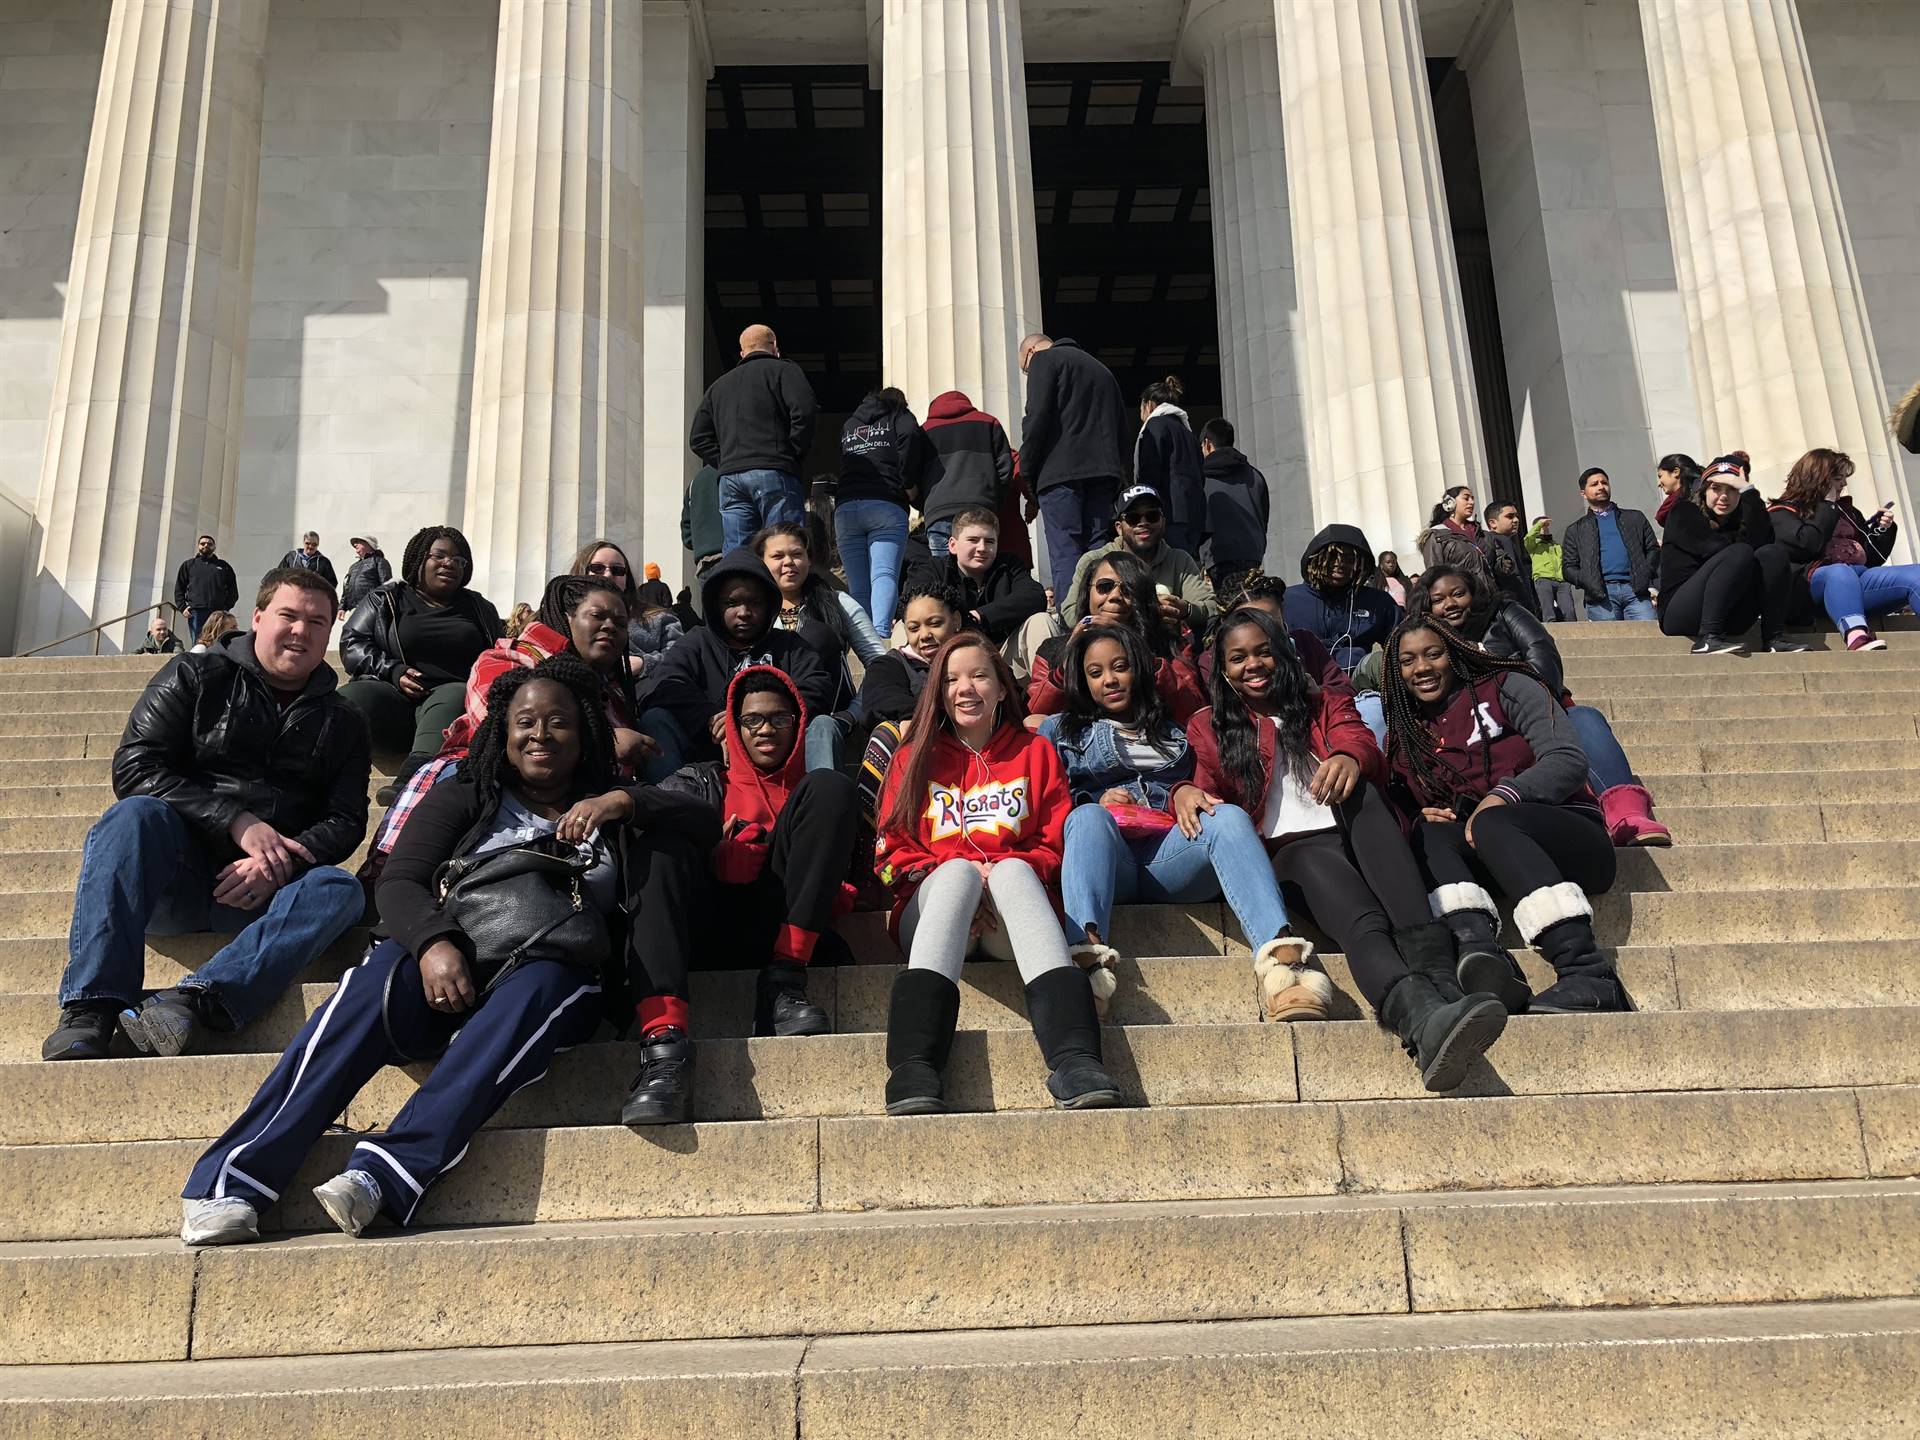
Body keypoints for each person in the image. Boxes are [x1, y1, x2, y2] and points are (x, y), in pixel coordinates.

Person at [177, 657, 637, 1245]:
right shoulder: (466, 794)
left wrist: (619, 803)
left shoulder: (615, 810)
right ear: (503, 729)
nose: (540, 735)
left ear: (587, 733)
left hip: (544, 974)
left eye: (558, 723)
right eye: (525, 722)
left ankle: (385, 1175)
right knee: (370, 985)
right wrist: (432, 943)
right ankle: (232, 1181)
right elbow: (399, 883)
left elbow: (696, 814)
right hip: (445, 962)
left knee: (550, 984)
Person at [43, 568, 369, 1062]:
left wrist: (278, 861)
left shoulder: (344, 720)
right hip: (176, 878)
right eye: (288, 615)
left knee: (340, 889)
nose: (301, 630)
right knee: (132, 817)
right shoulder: (192, 675)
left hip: (266, 894)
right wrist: (237, 822)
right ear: (258, 619)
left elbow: (345, 819)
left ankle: (196, 1000)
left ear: (330, 633)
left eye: (316, 621)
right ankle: (93, 1007)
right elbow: (136, 766)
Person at [1184, 608, 1507, 1088]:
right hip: (1291, 853)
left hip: (1356, 831)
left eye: (1263, 651)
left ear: (1283, 654)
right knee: (1363, 920)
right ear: (1223, 670)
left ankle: (1441, 990)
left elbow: (1360, 740)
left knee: (1366, 792)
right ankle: (1420, 1019)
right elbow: (1206, 791)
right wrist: (1180, 793)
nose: (1252, 665)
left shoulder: (1323, 702)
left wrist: (1347, 755)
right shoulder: (1209, 726)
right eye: (1237, 658)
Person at [876, 632, 1121, 1115]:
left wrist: (998, 876)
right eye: (951, 679)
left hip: (1011, 918)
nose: (965, 688)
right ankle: (914, 1065)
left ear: (1002, 687)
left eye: (979, 675)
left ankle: (1075, 1058)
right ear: (938, 692)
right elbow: (887, 858)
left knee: (1009, 868)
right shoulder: (912, 756)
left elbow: (1054, 847)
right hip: (935, 916)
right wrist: (965, 878)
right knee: (957, 878)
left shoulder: (1035, 752)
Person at [622, 668, 863, 1122]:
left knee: (832, 783)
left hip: (784, 934)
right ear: (733, 727)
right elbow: (660, 810)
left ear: (799, 723)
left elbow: (854, 880)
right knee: (660, 844)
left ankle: (783, 985)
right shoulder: (702, 779)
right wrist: (714, 851)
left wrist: (830, 884)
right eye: (752, 721)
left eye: (780, 718)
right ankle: (664, 1047)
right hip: (708, 926)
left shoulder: (818, 795)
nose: (766, 729)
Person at [1042, 621, 1315, 1018]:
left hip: (1168, 855)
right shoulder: (1059, 730)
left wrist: (1183, 789)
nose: (1110, 680)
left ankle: (1284, 968)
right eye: (1095, 672)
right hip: (1105, 859)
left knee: (1228, 817)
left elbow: (1212, 779)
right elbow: (1045, 801)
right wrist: (1093, 798)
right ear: (1082, 681)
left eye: (1120, 666)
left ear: (1138, 668)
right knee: (1085, 817)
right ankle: (1088, 971)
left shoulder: (1176, 729)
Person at [1384, 618, 1625, 1014]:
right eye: (1408, 661)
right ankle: (1483, 956)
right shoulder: (1408, 735)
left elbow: (1566, 759)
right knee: (1428, 835)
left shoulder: (1506, 685)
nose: (1421, 668)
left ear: (1455, 651)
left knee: (1494, 820)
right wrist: (1421, 812)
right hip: (1497, 856)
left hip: (1571, 839)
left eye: (1433, 654)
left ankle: (1589, 973)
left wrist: (1503, 796)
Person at [366, 574, 653, 868]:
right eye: (598, 616)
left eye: (620, 623)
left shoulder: (614, 690)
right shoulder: (508, 659)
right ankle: (383, 871)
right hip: (487, 783)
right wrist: (609, 742)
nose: (610, 627)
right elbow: (496, 732)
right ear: (567, 617)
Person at [1413, 564, 1671, 847]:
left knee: (1583, 719)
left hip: (1538, 710)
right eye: (1438, 600)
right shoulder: (1429, 647)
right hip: (1484, 730)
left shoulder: (1503, 613)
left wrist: (1505, 687)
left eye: (1458, 594)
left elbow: (1544, 660)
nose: (1449, 604)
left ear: (1473, 594)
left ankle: (1627, 814)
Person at [635, 548, 833, 781]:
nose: (744, 613)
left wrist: (747, 719)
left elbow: (817, 687)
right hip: (707, 759)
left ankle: (818, 804)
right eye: (732, 603)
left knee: (824, 724)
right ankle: (669, 806)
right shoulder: (697, 641)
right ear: (716, 606)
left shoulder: (789, 645)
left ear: (769, 604)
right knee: (656, 718)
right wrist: (710, 719)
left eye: (754, 603)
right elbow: (665, 683)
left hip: (777, 757)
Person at [340, 526, 505, 789]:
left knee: (453, 694)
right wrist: (393, 671)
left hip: (452, 706)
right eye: (439, 556)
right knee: (351, 696)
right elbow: (352, 643)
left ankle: (413, 780)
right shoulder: (386, 599)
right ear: (419, 559)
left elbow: (499, 654)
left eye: (458, 560)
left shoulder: (480, 608)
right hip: (393, 697)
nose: (449, 563)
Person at [755, 521, 886, 771]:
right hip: (770, 724)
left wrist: (852, 713)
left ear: (808, 559)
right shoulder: (752, 614)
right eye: (777, 556)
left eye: (796, 554)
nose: (789, 563)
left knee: (821, 726)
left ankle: (824, 803)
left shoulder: (838, 602)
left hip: (828, 720)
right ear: (762, 562)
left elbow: (880, 664)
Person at [1029, 550, 1207, 723]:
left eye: (1128, 590)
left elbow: (1192, 711)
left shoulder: (1170, 645)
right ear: (1087, 593)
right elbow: (1036, 714)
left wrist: (1136, 650)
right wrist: (1069, 659)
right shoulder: (1053, 650)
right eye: (1104, 587)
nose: (1115, 596)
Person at [1019, 332, 1132, 594]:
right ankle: (1102, 614)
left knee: (1065, 549)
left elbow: (1036, 419)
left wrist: (1028, 472)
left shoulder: (1043, 360)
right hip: (1104, 474)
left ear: (1030, 352)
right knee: (1097, 546)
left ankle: (1072, 623)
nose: (1029, 373)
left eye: (1026, 369)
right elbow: (1121, 429)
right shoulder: (1103, 370)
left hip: (1059, 475)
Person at [690, 323, 819, 552]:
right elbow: (805, 411)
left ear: (742, 352)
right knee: (782, 545)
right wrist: (793, 451)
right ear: (775, 346)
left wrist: (725, 460)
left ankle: (738, 587)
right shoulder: (783, 370)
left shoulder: (718, 387)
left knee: (739, 553)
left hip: (731, 478)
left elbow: (698, 438)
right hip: (774, 468)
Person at [1658, 456, 1804, 655]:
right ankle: (1708, 639)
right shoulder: (1683, 512)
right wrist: (1746, 546)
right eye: (1716, 489)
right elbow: (1713, 547)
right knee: (1740, 552)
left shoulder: (1741, 520)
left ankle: (1773, 638)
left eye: (1732, 490)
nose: (1724, 497)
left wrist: (1749, 492)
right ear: (1704, 490)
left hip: (1732, 615)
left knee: (1773, 553)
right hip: (1681, 613)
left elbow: (1763, 543)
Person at [1768, 447, 1909, 651]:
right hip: (1808, 590)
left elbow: (1871, 560)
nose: (1843, 483)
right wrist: (1827, 505)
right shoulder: (1781, 512)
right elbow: (1808, 545)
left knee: (1916, 574)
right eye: (1837, 478)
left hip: (1856, 581)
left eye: (1844, 478)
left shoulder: (1847, 512)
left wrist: (1882, 530)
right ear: (1817, 478)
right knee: (1839, 571)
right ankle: (1856, 636)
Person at [1282, 523, 1401, 741]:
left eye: (1348, 559)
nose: (1340, 565)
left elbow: (1403, 640)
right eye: (1332, 558)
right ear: (1315, 560)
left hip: (1359, 686)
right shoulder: (1288, 600)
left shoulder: (1377, 601)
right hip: (1304, 685)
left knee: (1381, 659)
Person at [1060, 483, 1216, 632]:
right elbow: (1069, 613)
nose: (1143, 523)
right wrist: (1137, 615)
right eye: (1133, 518)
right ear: (1119, 528)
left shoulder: (1179, 560)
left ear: (1163, 522)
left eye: (1152, 516)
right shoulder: (1095, 560)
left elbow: (1211, 606)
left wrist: (1185, 610)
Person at [835, 385, 929, 628]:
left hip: (846, 505)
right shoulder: (899, 415)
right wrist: (909, 483)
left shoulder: (850, 424)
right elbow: (910, 436)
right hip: (885, 502)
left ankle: (862, 639)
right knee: (884, 574)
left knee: (858, 584)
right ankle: (881, 634)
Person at [902, 507, 1046, 650]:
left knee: (1040, 621)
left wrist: (982, 616)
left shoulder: (1009, 566)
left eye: (989, 541)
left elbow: (1035, 596)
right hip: (947, 655)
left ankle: (1049, 673)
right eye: (973, 540)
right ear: (953, 545)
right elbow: (908, 604)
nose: (982, 548)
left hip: (1002, 654)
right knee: (902, 628)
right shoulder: (933, 569)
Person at [920, 390, 1015, 558]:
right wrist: (993, 500)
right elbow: (1006, 469)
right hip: (981, 509)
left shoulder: (925, 431)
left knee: (943, 575)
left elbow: (911, 475)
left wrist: (926, 505)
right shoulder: (989, 422)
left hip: (938, 512)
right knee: (979, 573)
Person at [572, 539, 683, 679]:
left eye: (617, 570)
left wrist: (644, 663)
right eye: (598, 568)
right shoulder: (561, 616)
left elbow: (680, 658)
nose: (608, 575)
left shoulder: (660, 619)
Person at [1563, 467, 1660, 621]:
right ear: (1583, 493)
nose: (1601, 487)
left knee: (1651, 640)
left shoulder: (1634, 518)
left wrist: (1644, 571)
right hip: (1601, 597)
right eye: (1594, 484)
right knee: (1608, 644)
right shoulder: (1575, 529)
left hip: (1636, 592)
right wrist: (1587, 580)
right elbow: (1568, 567)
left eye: (1604, 483)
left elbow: (1653, 549)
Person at [1197, 418, 1270, 597]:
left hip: (1218, 557)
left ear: (1207, 444)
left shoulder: (1200, 478)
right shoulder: (1255, 475)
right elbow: (1264, 518)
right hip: (1252, 555)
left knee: (1225, 610)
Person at [1134, 376, 1205, 557]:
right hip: (1194, 514)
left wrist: (1143, 507)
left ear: (1149, 405)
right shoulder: (1188, 433)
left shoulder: (1155, 425)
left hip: (1169, 512)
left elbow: (1150, 469)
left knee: (1169, 569)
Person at [173, 534, 239, 642]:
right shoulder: (188, 565)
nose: (206, 545)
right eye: (203, 543)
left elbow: (233, 590)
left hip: (217, 612)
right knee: (198, 642)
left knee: (218, 641)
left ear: (214, 547)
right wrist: (182, 607)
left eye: (209, 544)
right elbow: (179, 588)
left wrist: (226, 607)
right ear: (198, 546)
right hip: (196, 612)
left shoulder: (223, 566)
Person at [1482, 501, 1542, 617]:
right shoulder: (1500, 540)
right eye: (1509, 516)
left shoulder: (1501, 540)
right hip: (1514, 607)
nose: (1516, 520)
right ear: (1493, 523)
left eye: (1516, 516)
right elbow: (1514, 577)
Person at [680, 462, 723, 617]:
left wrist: (702, 543)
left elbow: (686, 532)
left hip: (706, 563)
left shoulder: (695, 482)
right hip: (736, 556)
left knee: (714, 622)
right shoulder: (737, 470)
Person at [1524, 516, 1577, 622]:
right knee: (1548, 611)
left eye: (1547, 526)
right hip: (1543, 579)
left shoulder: (1556, 545)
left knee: (1569, 610)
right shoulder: (1533, 545)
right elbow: (1528, 538)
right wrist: (1539, 524)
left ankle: (1574, 632)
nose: (1546, 528)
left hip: (1561, 581)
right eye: (1544, 526)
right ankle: (1552, 634)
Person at [340, 536, 391, 616]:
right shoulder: (353, 566)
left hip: (371, 609)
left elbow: (386, 586)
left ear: (369, 544)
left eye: (358, 541)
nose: (355, 544)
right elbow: (346, 588)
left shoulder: (379, 561)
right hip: (353, 610)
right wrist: (342, 607)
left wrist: (381, 607)